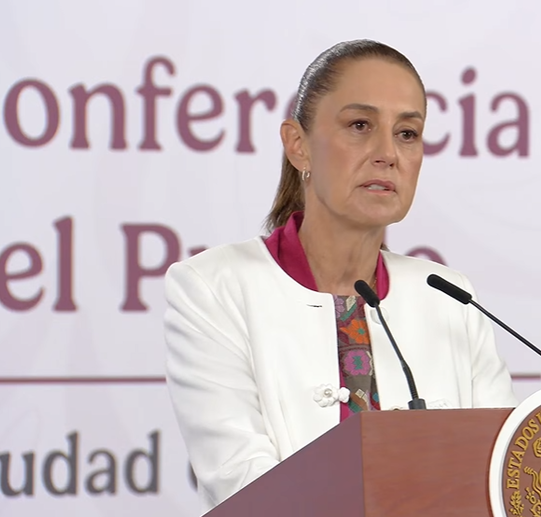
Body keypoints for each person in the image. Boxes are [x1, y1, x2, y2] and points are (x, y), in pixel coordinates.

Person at [164, 39, 516, 513]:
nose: (387, 153)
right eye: (360, 126)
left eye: (407, 133)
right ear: (298, 145)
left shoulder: (451, 298)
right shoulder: (212, 288)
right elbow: (243, 484)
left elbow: (499, 478)